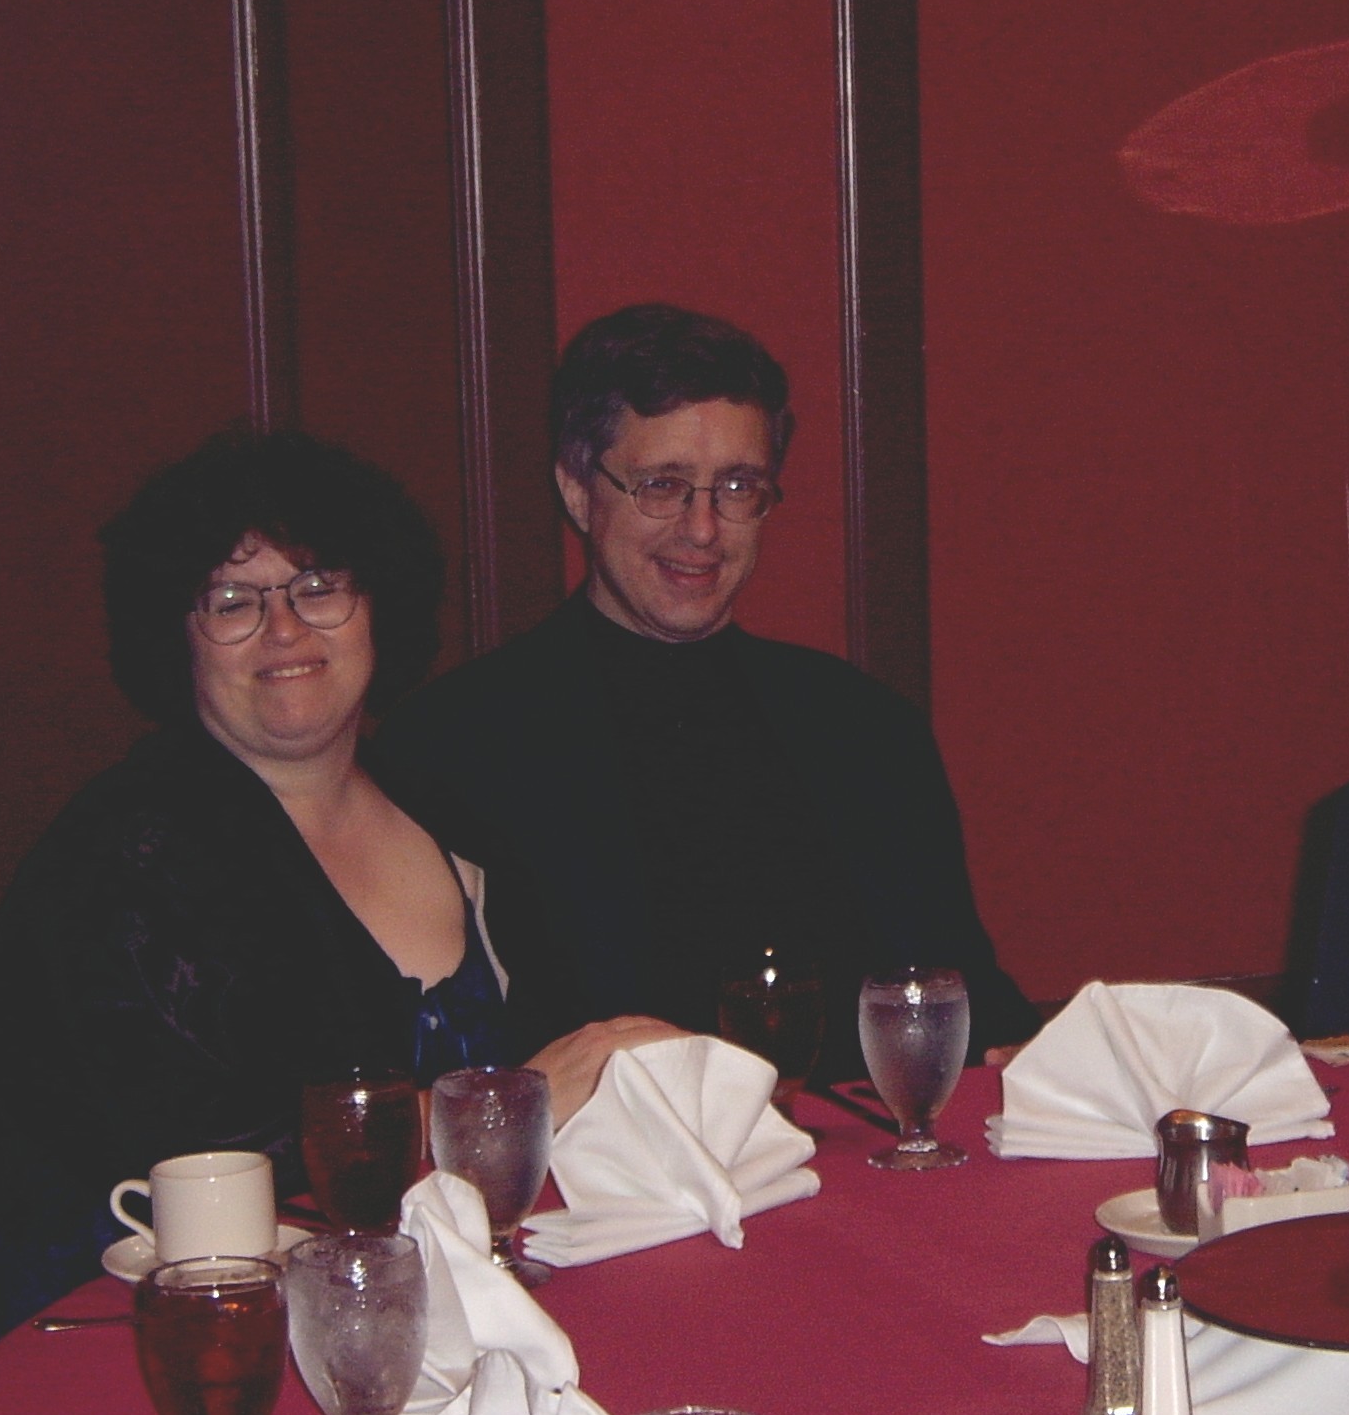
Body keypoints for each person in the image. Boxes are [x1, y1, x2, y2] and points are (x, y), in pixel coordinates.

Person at [0, 429, 672, 1344]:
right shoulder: (116, 869)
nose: (285, 630)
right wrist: (499, 1109)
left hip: (477, 1319)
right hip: (201, 1347)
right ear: (179, 638)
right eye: (231, 601)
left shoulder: (451, 814)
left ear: (378, 606)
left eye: (318, 587)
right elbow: (186, 1177)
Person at [377, 304, 1039, 1079]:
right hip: (608, 1188)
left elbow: (963, 998)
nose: (702, 529)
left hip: (862, 1178)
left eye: (736, 486)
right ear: (576, 490)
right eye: (662, 486)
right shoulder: (457, 745)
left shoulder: (862, 726)